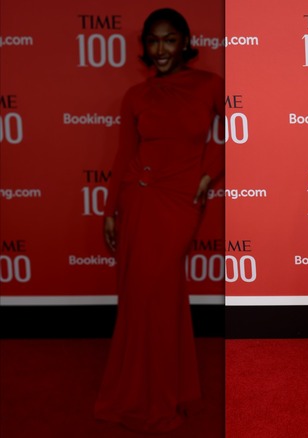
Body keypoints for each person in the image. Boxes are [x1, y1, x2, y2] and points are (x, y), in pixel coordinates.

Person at [94, 8, 224, 433]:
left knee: (161, 289)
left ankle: (167, 386)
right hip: (140, 197)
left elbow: (238, 129)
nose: (161, 49)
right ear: (145, 47)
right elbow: (122, 155)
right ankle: (141, 390)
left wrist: (208, 174)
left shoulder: (209, 86)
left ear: (186, 43)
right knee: (141, 296)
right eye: (153, 41)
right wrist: (110, 209)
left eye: (170, 40)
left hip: (180, 200)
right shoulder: (136, 95)